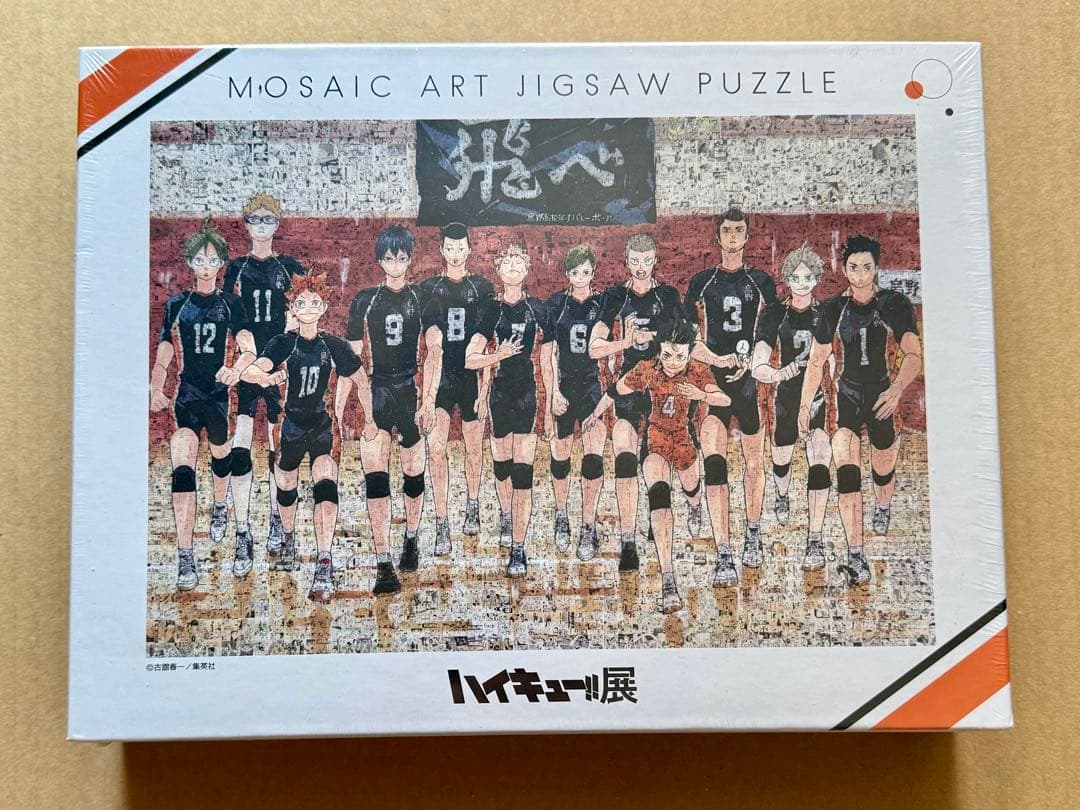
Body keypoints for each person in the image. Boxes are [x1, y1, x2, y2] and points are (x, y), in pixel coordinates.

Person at [799, 235, 923, 585]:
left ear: (876, 268)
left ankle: (883, 505)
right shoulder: (832, 309)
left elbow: (914, 354)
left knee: (883, 470)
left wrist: (897, 390)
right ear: (844, 269)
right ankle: (856, 553)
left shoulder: (894, 304)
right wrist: (805, 404)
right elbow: (816, 362)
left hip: (883, 397)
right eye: (853, 267)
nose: (860, 274)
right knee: (847, 471)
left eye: (867, 267)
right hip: (847, 398)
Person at [585, 319, 729, 612]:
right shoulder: (647, 369)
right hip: (656, 441)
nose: (673, 362)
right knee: (659, 498)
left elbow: (723, 399)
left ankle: (695, 505)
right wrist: (594, 415)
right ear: (659, 351)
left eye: (679, 356)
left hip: (684, 442)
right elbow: (614, 391)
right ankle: (668, 580)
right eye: (667, 355)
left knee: (692, 488)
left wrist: (702, 395)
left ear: (689, 353)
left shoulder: (697, 370)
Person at [240, 274, 366, 602]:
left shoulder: (333, 344)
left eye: (314, 302)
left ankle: (324, 560)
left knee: (325, 482)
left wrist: (370, 418)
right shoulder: (283, 343)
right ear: (293, 309)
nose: (308, 308)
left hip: (322, 426)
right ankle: (288, 535)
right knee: (286, 487)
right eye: (301, 303)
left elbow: (361, 378)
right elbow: (251, 370)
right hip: (291, 425)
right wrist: (267, 377)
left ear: (323, 307)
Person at [337, 225, 443, 595]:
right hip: (377, 391)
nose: (395, 264)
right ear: (380, 260)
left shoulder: (423, 298)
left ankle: (411, 536)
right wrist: (347, 410)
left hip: (409, 391)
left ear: (409, 259)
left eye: (401, 258)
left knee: (413, 472)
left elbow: (435, 351)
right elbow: (350, 362)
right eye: (389, 258)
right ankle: (383, 562)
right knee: (376, 478)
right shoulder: (365, 300)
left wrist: (429, 400)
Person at [150, 224, 256, 590]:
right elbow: (164, 351)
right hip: (187, 396)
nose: (206, 266)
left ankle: (221, 506)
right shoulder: (177, 305)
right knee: (182, 468)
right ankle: (185, 555)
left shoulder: (231, 304)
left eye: (213, 260)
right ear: (190, 262)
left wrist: (236, 369)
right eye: (200, 260)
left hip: (219, 397)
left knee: (221, 458)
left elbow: (248, 346)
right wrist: (156, 385)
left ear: (222, 262)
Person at [684, 207, 778, 586]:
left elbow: (768, 333)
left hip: (748, 384)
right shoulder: (702, 282)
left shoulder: (761, 281)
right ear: (718, 237)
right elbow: (689, 341)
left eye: (740, 230)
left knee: (754, 463)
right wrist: (720, 359)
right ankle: (724, 552)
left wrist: (753, 362)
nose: (734, 236)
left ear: (747, 236)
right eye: (728, 230)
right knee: (715, 465)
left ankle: (752, 531)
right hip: (714, 382)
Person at [588, 234, 686, 571]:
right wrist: (626, 341)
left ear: (655, 259)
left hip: (661, 387)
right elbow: (594, 348)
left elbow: (688, 339)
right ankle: (627, 541)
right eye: (634, 261)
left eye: (646, 260)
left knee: (657, 458)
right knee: (625, 455)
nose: (641, 267)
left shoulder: (668, 295)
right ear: (626, 261)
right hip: (628, 386)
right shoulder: (616, 296)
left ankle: (657, 515)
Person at [222, 193, 306, 555]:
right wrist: (246, 360)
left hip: (277, 365)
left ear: (277, 224)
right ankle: (242, 530)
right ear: (246, 224)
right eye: (255, 219)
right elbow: (229, 317)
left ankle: (275, 517)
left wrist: (280, 359)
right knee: (241, 442)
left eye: (268, 219)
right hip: (247, 363)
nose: (261, 225)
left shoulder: (288, 266)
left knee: (277, 445)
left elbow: (298, 316)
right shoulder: (236, 268)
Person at [465, 242, 554, 578]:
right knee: (502, 468)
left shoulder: (537, 308)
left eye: (519, 262)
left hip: (526, 394)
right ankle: (505, 514)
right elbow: (470, 358)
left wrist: (551, 401)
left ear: (527, 268)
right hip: (500, 395)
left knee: (523, 473)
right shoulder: (491, 309)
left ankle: (519, 546)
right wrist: (497, 356)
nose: (514, 267)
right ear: (499, 270)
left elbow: (550, 358)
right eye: (508, 262)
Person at [751, 243, 831, 571]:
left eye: (807, 277)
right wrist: (778, 373)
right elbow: (758, 364)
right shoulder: (774, 314)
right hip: (785, 398)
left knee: (820, 459)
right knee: (781, 460)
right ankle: (782, 495)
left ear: (817, 279)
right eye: (795, 278)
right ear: (786, 279)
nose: (801, 283)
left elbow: (833, 358)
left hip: (817, 399)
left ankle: (815, 537)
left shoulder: (825, 314)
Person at [420, 223, 496, 555]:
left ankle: (473, 503)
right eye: (448, 247)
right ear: (441, 250)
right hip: (441, 377)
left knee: (473, 448)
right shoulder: (429, 287)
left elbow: (484, 340)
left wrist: (484, 387)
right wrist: (428, 396)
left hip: (469, 377)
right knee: (436, 449)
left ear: (469, 248)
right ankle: (441, 521)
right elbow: (432, 341)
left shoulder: (482, 287)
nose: (454, 253)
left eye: (460, 247)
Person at [544, 245, 607, 559]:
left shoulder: (603, 302)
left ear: (593, 272)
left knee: (593, 459)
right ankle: (561, 514)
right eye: (574, 272)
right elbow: (550, 354)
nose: (580, 278)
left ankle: (588, 524)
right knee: (561, 457)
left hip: (591, 387)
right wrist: (553, 393)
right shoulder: (556, 304)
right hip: (566, 386)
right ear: (566, 274)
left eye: (585, 272)